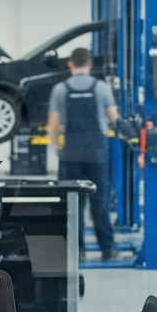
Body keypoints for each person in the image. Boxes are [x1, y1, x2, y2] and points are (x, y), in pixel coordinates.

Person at [47, 47, 119, 260]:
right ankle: (108, 248)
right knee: (100, 202)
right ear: (89, 64)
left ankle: (77, 251)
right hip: (96, 153)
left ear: (70, 63)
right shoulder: (101, 87)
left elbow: (53, 124)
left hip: (70, 154)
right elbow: (113, 117)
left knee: (72, 204)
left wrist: (57, 146)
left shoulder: (60, 89)